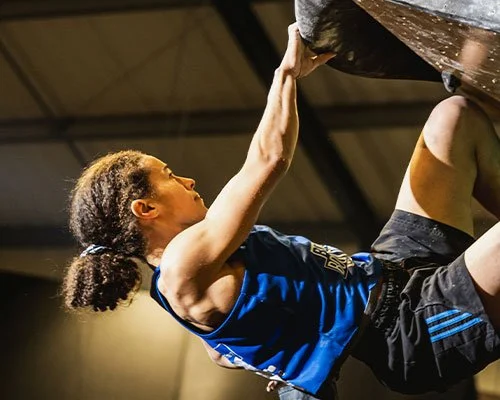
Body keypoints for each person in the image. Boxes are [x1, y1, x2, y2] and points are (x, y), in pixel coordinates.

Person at [62, 24, 500, 400]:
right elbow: (268, 160)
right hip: (409, 327)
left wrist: (276, 355)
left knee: (454, 117)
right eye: (170, 175)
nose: (189, 182)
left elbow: (221, 351)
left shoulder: (187, 284)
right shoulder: (179, 267)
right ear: (146, 208)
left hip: (392, 268)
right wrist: (287, 73)